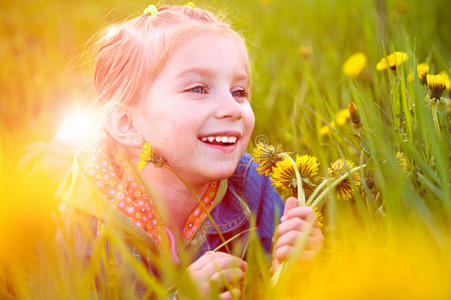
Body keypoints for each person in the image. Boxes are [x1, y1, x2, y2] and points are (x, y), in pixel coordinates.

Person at [55, 4, 323, 299]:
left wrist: (303, 265)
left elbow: (275, 286)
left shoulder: (250, 186)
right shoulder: (84, 224)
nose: (233, 109)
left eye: (239, 92)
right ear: (128, 123)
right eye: (198, 89)